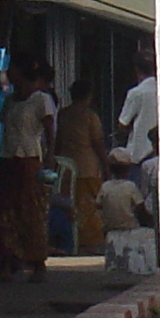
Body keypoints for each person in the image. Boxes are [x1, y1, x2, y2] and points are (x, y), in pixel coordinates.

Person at [0, 61, 56, 283]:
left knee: (31, 211)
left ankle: (37, 262)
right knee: (5, 212)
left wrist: (49, 156)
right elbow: (5, 128)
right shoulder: (10, 101)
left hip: (29, 158)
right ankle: (8, 261)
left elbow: (49, 129)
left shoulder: (41, 99)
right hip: (9, 157)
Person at [57, 81, 109, 253]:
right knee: (90, 207)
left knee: (70, 204)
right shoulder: (90, 116)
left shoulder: (62, 115)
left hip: (66, 168)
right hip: (88, 167)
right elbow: (97, 142)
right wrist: (106, 163)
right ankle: (91, 243)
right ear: (88, 96)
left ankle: (72, 240)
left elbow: (58, 140)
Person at [115, 50, 159, 162]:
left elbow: (122, 123)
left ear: (136, 69)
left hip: (140, 151)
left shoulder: (136, 93)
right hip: (159, 149)